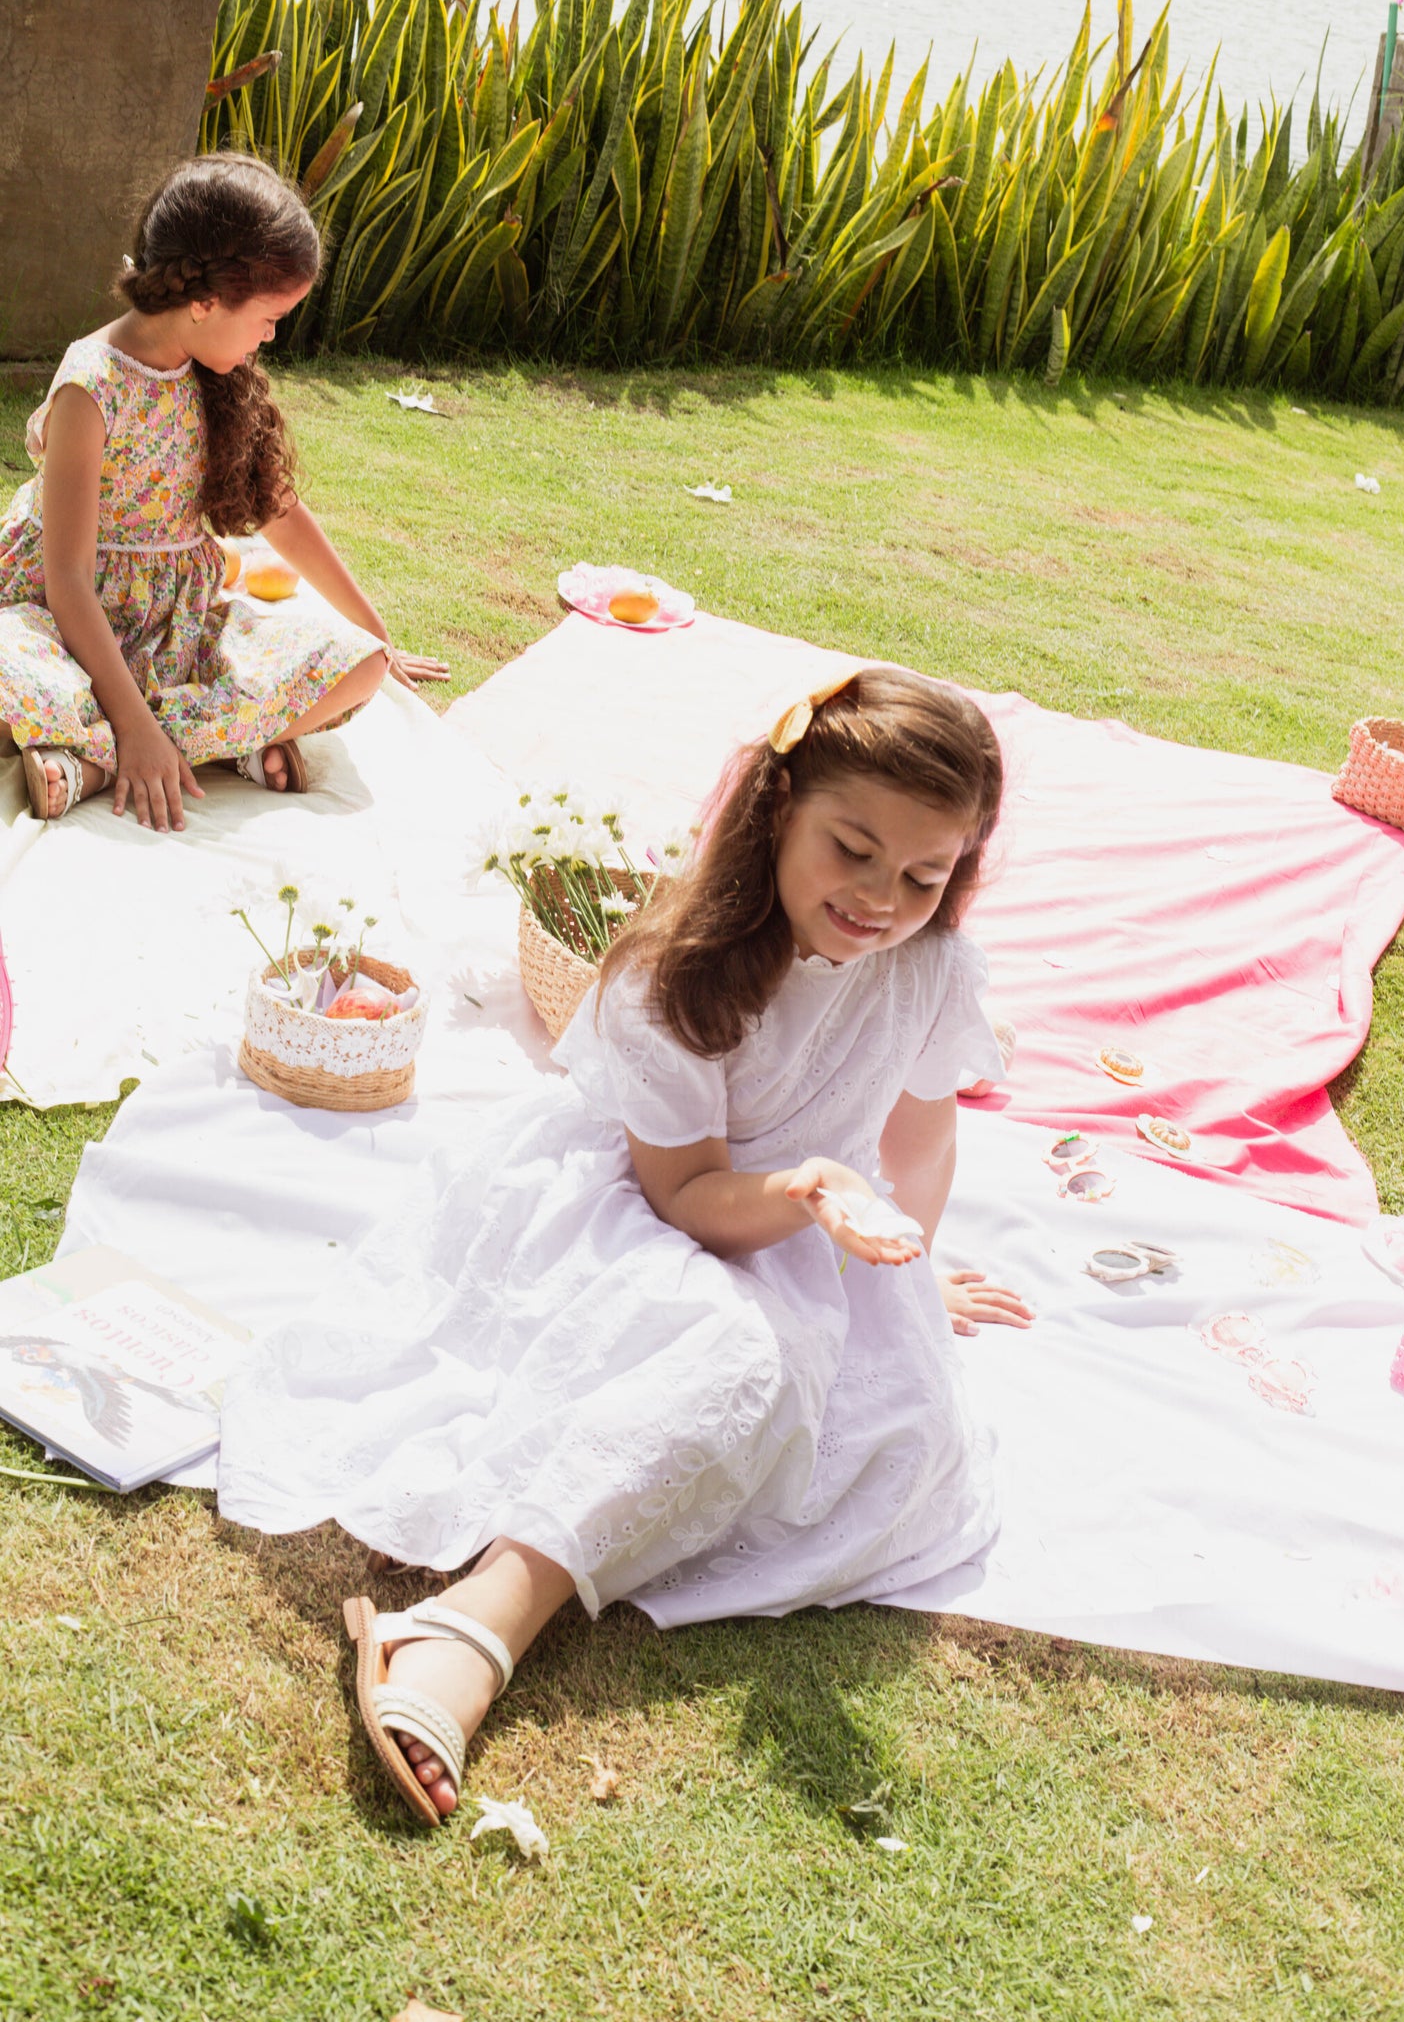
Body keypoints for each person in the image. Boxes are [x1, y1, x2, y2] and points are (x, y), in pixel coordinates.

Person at [218, 665, 1032, 1826]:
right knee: (723, 1355)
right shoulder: (675, 974)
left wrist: (898, 1248)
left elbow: (921, 1125)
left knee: (894, 1436)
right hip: (645, 1207)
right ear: (777, 811)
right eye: (850, 848)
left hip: (807, 1218)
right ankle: (470, 1623)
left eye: (922, 874)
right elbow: (688, 1196)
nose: (879, 897)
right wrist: (811, 1187)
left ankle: (482, 1610)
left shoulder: (932, 968)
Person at [0, 152, 447, 830]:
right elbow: (64, 580)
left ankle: (98, 758)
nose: (271, 335)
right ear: (203, 303)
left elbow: (279, 511)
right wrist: (135, 719)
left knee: (362, 667)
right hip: (65, 619)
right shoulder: (89, 388)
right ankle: (178, 740)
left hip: (175, 629)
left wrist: (374, 632)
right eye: (268, 317)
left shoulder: (214, 369)